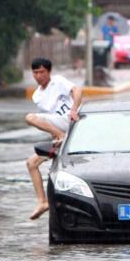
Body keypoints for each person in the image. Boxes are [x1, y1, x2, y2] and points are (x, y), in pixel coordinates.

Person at [25, 58, 82, 220]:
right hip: (60, 134)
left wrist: (74, 109)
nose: (38, 76)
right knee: (31, 163)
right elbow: (49, 120)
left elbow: (77, 91)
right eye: (35, 72)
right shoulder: (37, 96)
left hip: (71, 122)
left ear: (49, 72)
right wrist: (55, 140)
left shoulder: (57, 81)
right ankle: (42, 202)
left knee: (30, 117)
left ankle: (60, 136)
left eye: (42, 72)